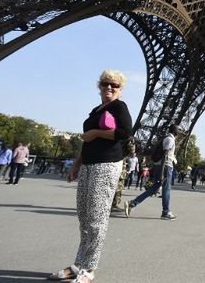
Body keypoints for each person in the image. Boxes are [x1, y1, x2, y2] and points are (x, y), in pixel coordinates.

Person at [48, 69, 132, 283]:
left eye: (114, 85)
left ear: (120, 89)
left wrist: (95, 133)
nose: (109, 88)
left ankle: (90, 268)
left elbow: (124, 133)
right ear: (100, 87)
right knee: (84, 217)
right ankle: (78, 265)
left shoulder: (119, 107)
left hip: (106, 165)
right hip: (88, 165)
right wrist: (76, 165)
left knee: (96, 218)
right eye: (105, 84)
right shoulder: (96, 110)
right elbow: (86, 143)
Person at [124, 124, 179, 220]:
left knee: (153, 189)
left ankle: (132, 203)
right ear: (174, 130)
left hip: (161, 166)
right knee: (166, 189)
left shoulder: (165, 138)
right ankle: (165, 212)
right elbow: (165, 156)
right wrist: (161, 173)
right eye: (178, 129)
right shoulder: (170, 139)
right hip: (165, 167)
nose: (179, 131)